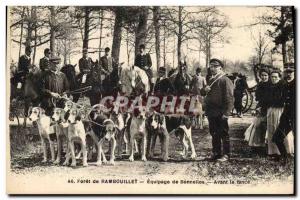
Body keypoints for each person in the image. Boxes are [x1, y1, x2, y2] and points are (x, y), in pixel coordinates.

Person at [200, 58, 234, 162]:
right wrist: (204, 90)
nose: (213, 69)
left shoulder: (225, 80)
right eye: (211, 67)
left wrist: (227, 113)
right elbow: (202, 92)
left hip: (221, 112)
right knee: (214, 133)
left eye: (215, 67)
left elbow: (229, 98)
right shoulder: (210, 79)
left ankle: (226, 155)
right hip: (211, 112)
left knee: (223, 133)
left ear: (220, 68)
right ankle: (216, 153)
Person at [272, 63, 295, 163]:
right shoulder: (284, 84)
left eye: (291, 72)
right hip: (286, 116)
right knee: (277, 137)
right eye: (287, 72)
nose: (288, 74)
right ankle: (284, 158)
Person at [244, 68, 269, 149]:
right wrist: (257, 107)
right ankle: (259, 143)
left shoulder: (271, 85)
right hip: (261, 106)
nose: (264, 77)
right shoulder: (260, 85)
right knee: (259, 125)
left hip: (269, 106)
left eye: (265, 75)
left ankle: (268, 143)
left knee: (268, 125)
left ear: (268, 76)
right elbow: (258, 98)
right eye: (262, 75)